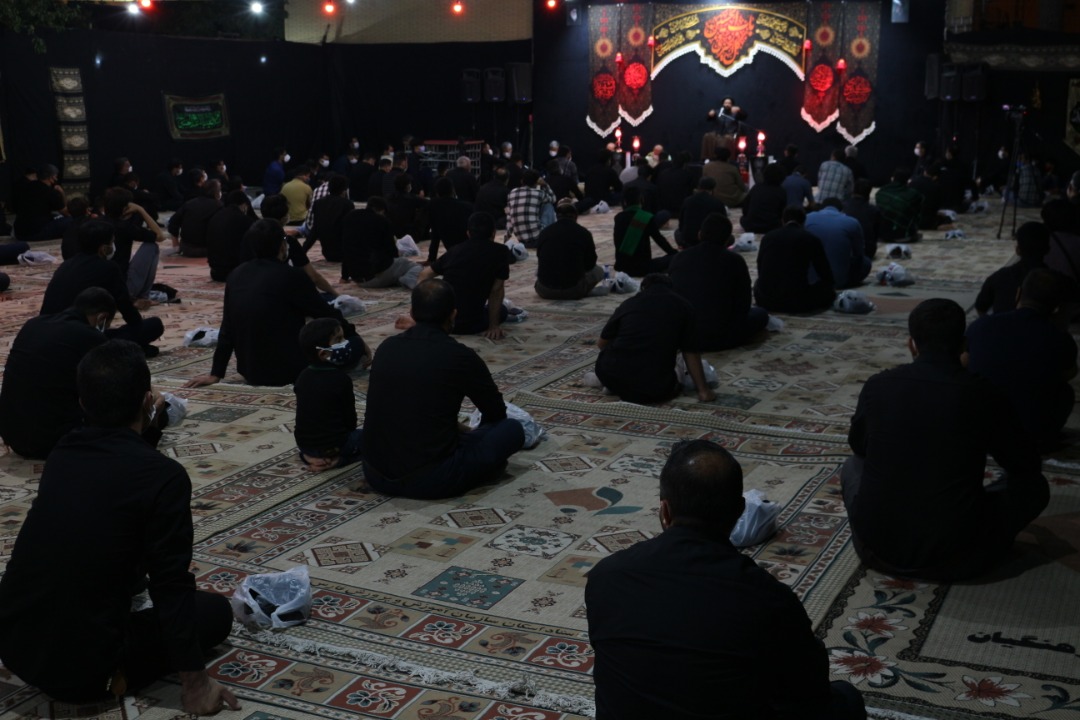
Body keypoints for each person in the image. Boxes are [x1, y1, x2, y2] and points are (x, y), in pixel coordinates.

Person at [0, 340, 239, 716]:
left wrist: (149, 428)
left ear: (82, 402)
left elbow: (122, 470)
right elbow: (170, 584)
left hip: (14, 644)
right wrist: (195, 683)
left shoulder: (64, 452)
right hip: (82, 673)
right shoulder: (165, 478)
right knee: (214, 613)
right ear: (147, 402)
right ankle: (117, 671)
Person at [587, 438, 867, 720]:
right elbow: (809, 697)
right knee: (846, 699)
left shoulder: (607, 576)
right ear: (739, 511)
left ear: (665, 511)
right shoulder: (768, 599)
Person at [843, 298, 1049, 581]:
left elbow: (859, 447)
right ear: (964, 345)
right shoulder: (983, 393)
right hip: (958, 556)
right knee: (1034, 488)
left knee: (852, 467)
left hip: (877, 550)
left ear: (912, 344)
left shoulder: (878, 385)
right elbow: (1024, 464)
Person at [361, 279, 526, 499]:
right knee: (511, 430)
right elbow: (495, 413)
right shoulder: (460, 356)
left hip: (375, 473)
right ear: (453, 315)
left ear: (412, 312)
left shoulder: (386, 347)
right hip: (432, 479)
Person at [184, 219, 370, 388]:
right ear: (282, 246)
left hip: (250, 371)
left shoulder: (236, 275)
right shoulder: (292, 276)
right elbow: (326, 314)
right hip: (292, 370)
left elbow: (227, 328)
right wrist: (357, 339)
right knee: (351, 344)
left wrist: (216, 373)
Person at [968, 269, 1077, 452]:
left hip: (979, 426)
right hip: (1030, 432)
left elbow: (962, 364)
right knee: (1065, 392)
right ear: (1058, 308)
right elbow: (1068, 373)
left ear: (1018, 293)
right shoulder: (1059, 338)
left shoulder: (981, 325)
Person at [0, 287, 115, 459]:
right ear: (102, 318)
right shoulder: (90, 337)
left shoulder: (33, 324)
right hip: (52, 440)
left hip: (10, 433)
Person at [40, 220, 165, 354]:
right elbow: (128, 311)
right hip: (77, 339)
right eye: (112, 242)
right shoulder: (108, 268)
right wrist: (140, 333)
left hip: (46, 334)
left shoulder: (65, 265)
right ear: (103, 249)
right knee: (153, 325)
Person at [592, 273, 715, 404]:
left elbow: (601, 344)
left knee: (616, 362)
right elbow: (690, 352)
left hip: (610, 375)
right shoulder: (684, 306)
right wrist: (703, 390)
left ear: (643, 288)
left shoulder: (628, 304)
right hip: (655, 387)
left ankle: (614, 385)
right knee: (677, 371)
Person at [669, 213, 769, 351]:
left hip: (685, 335)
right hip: (723, 336)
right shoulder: (734, 260)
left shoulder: (679, 258)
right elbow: (744, 302)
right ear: (728, 240)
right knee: (761, 314)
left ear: (700, 234)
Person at [418, 212, 512, 338]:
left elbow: (424, 275)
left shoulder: (454, 250)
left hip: (444, 323)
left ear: (468, 233)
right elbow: (497, 290)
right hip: (472, 324)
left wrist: (421, 315)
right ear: (493, 233)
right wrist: (493, 326)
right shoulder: (500, 252)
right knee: (504, 310)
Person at [293, 317, 364, 471]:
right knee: (375, 439)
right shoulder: (340, 379)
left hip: (305, 445)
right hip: (336, 445)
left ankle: (310, 457)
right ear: (323, 353)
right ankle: (338, 461)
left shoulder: (302, 376)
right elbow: (350, 420)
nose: (345, 343)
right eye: (338, 339)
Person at [754, 206, 835, 313]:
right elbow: (825, 273)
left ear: (783, 220)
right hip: (797, 301)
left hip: (766, 300)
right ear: (803, 222)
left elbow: (760, 267)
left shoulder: (768, 237)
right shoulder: (810, 239)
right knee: (828, 291)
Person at [340, 196, 422, 289]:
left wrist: (344, 276)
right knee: (415, 267)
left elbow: (346, 248)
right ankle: (405, 281)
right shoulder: (382, 221)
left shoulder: (350, 217)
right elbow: (392, 252)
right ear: (382, 210)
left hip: (357, 278)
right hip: (376, 277)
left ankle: (397, 278)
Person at [534, 199, 606, 300]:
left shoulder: (544, 233)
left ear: (557, 216)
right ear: (575, 216)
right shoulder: (583, 233)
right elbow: (590, 264)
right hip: (573, 290)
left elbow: (539, 257)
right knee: (599, 271)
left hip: (544, 290)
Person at [975, 221, 1050, 316]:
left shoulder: (999, 277)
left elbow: (981, 307)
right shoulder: (1057, 281)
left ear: (1017, 250)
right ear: (1048, 249)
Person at [612, 186, 678, 277]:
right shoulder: (645, 218)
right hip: (642, 268)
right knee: (673, 258)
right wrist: (674, 253)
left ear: (625, 202)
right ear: (641, 200)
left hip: (622, 267)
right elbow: (660, 240)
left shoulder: (618, 217)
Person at [805, 199, 870, 289]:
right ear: (841, 210)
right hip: (838, 281)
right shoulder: (852, 222)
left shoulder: (807, 218)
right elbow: (859, 254)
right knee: (866, 262)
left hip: (808, 279)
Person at [206, 189, 257, 282]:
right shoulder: (245, 220)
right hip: (237, 271)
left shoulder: (215, 216)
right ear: (244, 205)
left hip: (216, 271)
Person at [166, 180, 222, 258]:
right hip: (209, 249)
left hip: (186, 248)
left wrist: (176, 245)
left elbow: (173, 222)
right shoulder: (219, 206)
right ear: (217, 192)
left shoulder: (189, 203)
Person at [304, 173, 353, 262]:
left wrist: (303, 250)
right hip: (343, 252)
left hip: (327, 252)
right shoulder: (347, 204)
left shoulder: (318, 203)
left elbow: (315, 230)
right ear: (344, 190)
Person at [13, 164, 67, 242]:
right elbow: (66, 212)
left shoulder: (27, 186)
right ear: (51, 178)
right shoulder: (50, 192)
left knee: (55, 216)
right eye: (55, 176)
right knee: (70, 221)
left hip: (19, 232)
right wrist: (62, 192)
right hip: (35, 233)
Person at [506, 169, 557, 248]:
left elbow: (509, 216)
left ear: (522, 181)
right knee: (548, 205)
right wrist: (545, 185)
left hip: (522, 240)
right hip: (539, 239)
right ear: (536, 182)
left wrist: (507, 235)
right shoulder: (539, 193)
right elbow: (554, 199)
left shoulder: (512, 193)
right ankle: (552, 236)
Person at [427, 177, 473, 264]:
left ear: (437, 193)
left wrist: (431, 258)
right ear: (453, 190)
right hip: (469, 248)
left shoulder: (433, 206)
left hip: (451, 247)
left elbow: (435, 235)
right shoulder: (467, 207)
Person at [675, 177, 727, 248]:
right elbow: (724, 224)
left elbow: (681, 223)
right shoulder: (717, 203)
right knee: (730, 238)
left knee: (677, 232)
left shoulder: (687, 200)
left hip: (689, 241)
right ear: (713, 188)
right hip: (711, 241)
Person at [876, 168, 923, 242]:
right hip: (903, 236)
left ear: (893, 178)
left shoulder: (881, 192)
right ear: (908, 180)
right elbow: (917, 216)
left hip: (881, 235)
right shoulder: (914, 195)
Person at [738, 163, 787, 233]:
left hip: (751, 226)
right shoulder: (781, 191)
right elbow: (782, 212)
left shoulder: (756, 187)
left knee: (742, 219)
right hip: (772, 226)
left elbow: (745, 207)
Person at [842, 179, 882, 260]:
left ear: (853, 190)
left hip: (844, 249)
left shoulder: (843, 206)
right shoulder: (874, 210)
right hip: (867, 251)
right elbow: (876, 234)